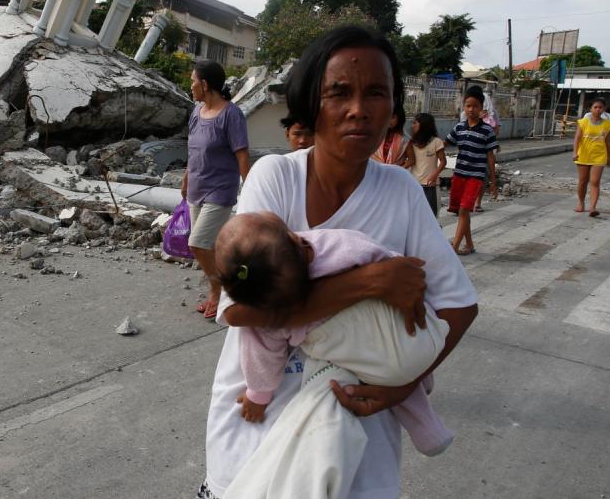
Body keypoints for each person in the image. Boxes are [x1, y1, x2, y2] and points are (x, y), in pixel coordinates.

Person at [199, 25, 477, 499]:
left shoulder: (402, 192)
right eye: (339, 92)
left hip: (356, 443)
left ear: (392, 109)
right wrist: (369, 282)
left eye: (376, 93)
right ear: (312, 102)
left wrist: (401, 384)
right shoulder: (276, 177)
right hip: (253, 426)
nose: (358, 109)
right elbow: (242, 310)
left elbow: (458, 306)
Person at [213, 212, 453, 464]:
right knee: (397, 351)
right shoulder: (336, 244)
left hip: (372, 365)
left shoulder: (266, 322)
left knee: (336, 369)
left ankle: (427, 430)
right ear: (300, 241)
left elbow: (262, 361)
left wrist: (258, 397)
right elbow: (380, 257)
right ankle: (429, 421)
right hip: (422, 333)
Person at [180, 59, 250, 320]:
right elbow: (193, 150)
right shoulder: (196, 112)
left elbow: (242, 155)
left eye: (193, 81)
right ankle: (230, 290)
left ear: (205, 84)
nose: (191, 86)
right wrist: (186, 179)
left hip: (219, 192)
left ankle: (218, 292)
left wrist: (252, 189)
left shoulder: (231, 114)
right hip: (196, 189)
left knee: (197, 244)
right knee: (212, 248)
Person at [445, 86, 498, 256]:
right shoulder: (459, 128)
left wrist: (492, 182)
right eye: (468, 106)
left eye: (475, 106)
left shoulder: (487, 131)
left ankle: (454, 248)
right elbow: (443, 144)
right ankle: (469, 245)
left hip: (475, 177)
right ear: (463, 106)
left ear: (482, 107)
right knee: (462, 211)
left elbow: (490, 157)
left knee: (464, 210)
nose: (471, 109)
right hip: (459, 174)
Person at [573, 97, 610, 217]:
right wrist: (575, 152)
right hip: (583, 155)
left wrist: (609, 157)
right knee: (583, 181)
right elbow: (577, 139)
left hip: (599, 156)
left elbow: (608, 142)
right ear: (590, 109)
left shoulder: (608, 124)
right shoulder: (583, 122)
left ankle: (593, 208)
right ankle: (581, 202)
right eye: (595, 107)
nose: (597, 109)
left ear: (604, 109)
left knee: (595, 182)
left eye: (600, 107)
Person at [404, 113, 447, 216]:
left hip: (430, 185)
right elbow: (409, 161)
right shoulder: (411, 143)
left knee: (432, 214)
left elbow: (443, 161)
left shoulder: (436, 142)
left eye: (415, 123)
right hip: (414, 184)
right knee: (414, 215)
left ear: (423, 125)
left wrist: (434, 175)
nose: (412, 126)